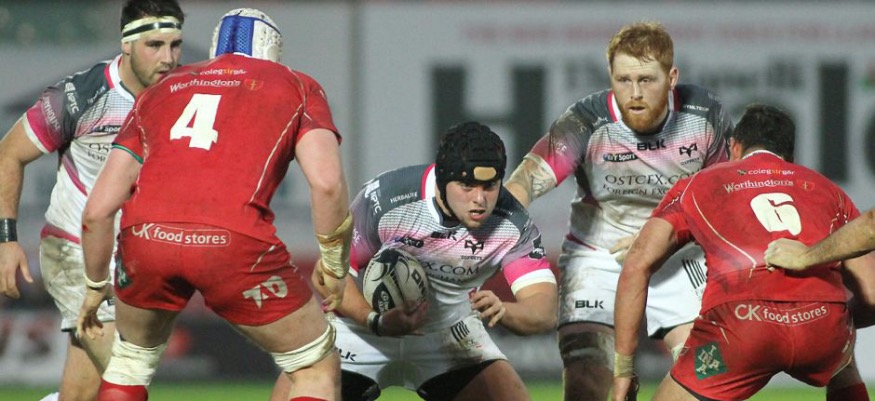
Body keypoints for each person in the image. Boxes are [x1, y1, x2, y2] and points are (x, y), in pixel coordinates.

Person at [75, 8, 350, 401]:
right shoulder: (296, 84)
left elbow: (98, 210)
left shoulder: (159, 89)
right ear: (273, 50)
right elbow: (327, 184)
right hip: (231, 242)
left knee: (129, 363)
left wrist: (94, 286)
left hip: (146, 240)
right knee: (315, 367)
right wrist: (334, 264)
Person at [503, 21, 731, 401]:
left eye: (646, 80)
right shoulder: (586, 121)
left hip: (677, 254)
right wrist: (493, 229)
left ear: (672, 77)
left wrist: (665, 239)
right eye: (623, 80)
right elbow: (526, 181)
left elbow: (723, 199)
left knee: (703, 376)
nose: (634, 93)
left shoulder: (704, 116)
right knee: (585, 380)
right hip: (599, 256)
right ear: (610, 75)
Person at [613, 104, 871, 401]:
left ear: (734, 147)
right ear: (790, 156)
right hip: (821, 326)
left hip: (742, 326)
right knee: (843, 361)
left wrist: (624, 370)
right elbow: (872, 294)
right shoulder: (829, 190)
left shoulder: (698, 184)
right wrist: (825, 319)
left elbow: (638, 262)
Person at [0, 1, 184, 400]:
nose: (168, 58)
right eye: (155, 45)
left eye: (175, 45)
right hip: (74, 250)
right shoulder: (81, 95)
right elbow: (9, 153)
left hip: (133, 259)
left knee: (82, 393)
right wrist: (6, 240)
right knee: (128, 375)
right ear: (127, 44)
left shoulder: (185, 96)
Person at [300, 122, 557, 401]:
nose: (480, 199)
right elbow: (327, 275)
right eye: (467, 185)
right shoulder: (388, 198)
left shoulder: (512, 222)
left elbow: (543, 311)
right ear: (442, 179)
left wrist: (505, 311)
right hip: (358, 331)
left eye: (490, 186)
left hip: (450, 334)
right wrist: (375, 321)